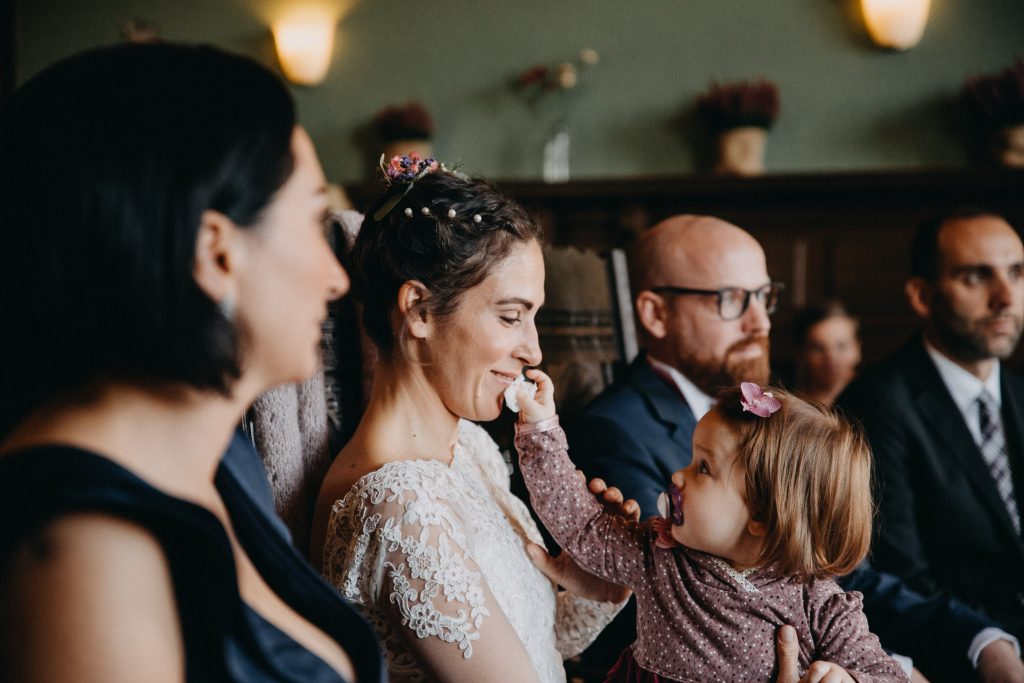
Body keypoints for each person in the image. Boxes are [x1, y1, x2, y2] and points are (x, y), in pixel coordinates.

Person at [0, 43, 383, 682]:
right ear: (215, 253)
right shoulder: (84, 551)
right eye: (314, 223)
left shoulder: (224, 460)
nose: (337, 279)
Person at [568, 214, 1024, 682]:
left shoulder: (768, 419)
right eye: (731, 299)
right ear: (655, 314)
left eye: (764, 297)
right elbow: (691, 599)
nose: (761, 321)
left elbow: (832, 576)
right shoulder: (616, 430)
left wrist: (977, 639)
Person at [310, 158, 628, 683]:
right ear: (419, 310)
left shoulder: (472, 448)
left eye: (532, 317)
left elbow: (530, 646)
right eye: (511, 316)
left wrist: (600, 584)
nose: (534, 350)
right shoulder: (400, 507)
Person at [516, 374, 907, 682]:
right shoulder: (658, 554)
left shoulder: (819, 604)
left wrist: (846, 680)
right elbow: (581, 522)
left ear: (763, 516)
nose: (677, 475)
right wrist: (540, 430)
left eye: (702, 467)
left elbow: (886, 675)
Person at [839, 209, 1024, 644]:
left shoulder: (1018, 392)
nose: (1005, 297)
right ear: (923, 296)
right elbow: (899, 575)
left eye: (1016, 273)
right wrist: (995, 642)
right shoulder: (875, 403)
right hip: (959, 652)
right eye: (977, 277)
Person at [792, 300, 862, 407]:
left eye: (842, 346)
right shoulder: (788, 406)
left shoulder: (876, 400)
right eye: (818, 348)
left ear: (857, 348)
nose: (831, 358)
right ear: (801, 352)